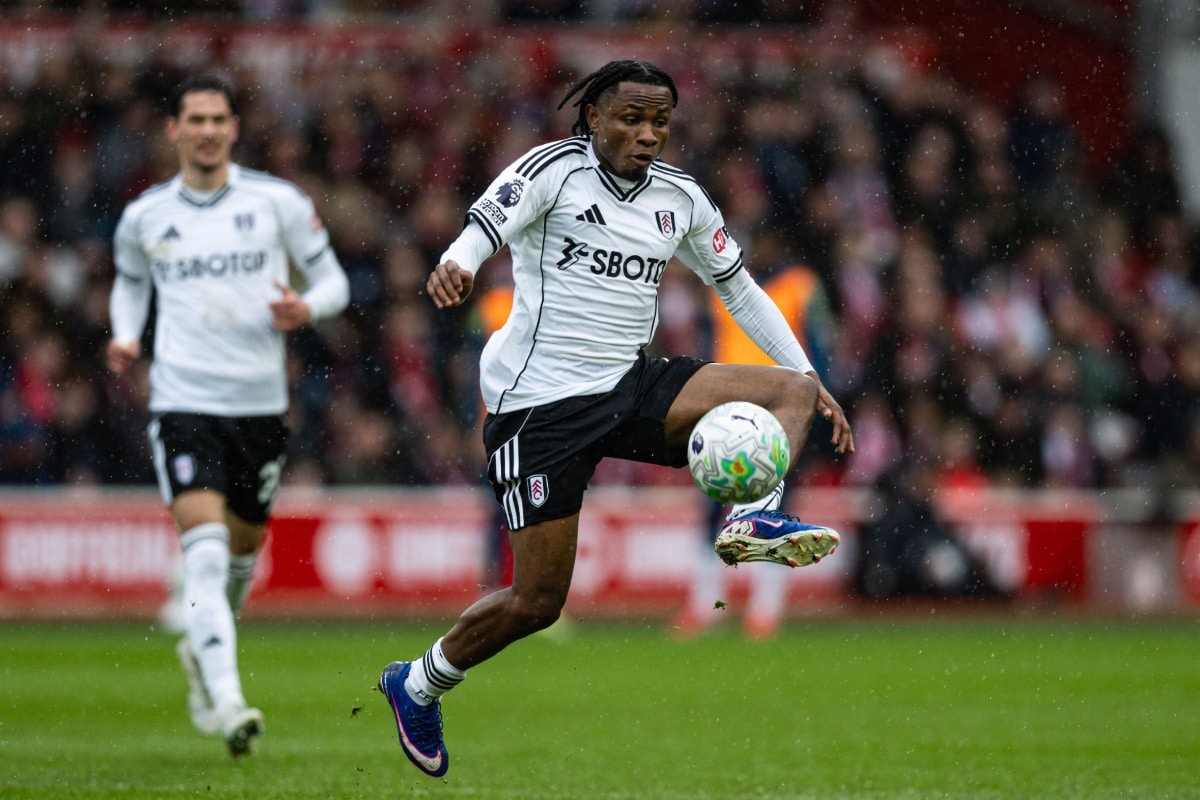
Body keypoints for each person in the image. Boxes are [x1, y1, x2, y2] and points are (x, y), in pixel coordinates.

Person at [378, 60, 854, 778]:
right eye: (631, 118)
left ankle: (751, 520)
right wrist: (458, 262)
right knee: (537, 602)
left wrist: (814, 379)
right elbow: (486, 223)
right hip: (538, 407)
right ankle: (416, 684)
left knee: (791, 390)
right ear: (594, 117)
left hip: (630, 384)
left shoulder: (680, 198)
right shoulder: (553, 171)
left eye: (659, 121)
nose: (648, 134)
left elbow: (739, 290)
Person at [105, 74, 350, 758]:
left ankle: (202, 656)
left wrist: (307, 307)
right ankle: (229, 699)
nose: (208, 130)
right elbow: (130, 286)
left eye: (219, 119)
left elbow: (332, 280)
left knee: (240, 559)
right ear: (173, 130)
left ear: (235, 128)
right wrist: (125, 335)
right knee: (206, 555)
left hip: (259, 409)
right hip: (184, 403)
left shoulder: (277, 202)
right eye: (196, 119)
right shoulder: (145, 216)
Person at [672, 229, 839, 640]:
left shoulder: (802, 285)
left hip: (781, 413)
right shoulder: (720, 285)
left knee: (774, 509)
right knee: (713, 503)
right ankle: (707, 603)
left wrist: (815, 409)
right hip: (727, 413)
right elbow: (706, 350)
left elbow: (820, 350)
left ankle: (766, 607)